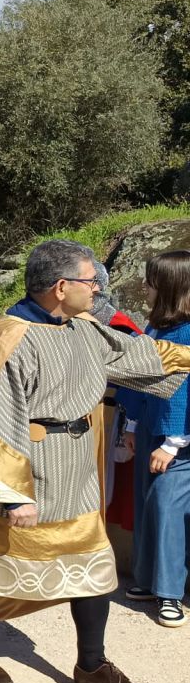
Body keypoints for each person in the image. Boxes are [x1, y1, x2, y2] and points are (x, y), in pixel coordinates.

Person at [0, 239, 190, 683]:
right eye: (89, 281)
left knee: (92, 564)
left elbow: (144, 356)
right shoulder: (8, 336)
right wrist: (13, 493)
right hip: (26, 467)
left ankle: (92, 666)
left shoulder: (84, 328)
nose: (97, 290)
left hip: (76, 467)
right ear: (61, 287)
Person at [123, 250, 190, 628]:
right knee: (147, 502)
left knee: (165, 506)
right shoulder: (157, 328)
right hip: (151, 428)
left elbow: (182, 391)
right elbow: (141, 380)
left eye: (151, 281)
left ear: (168, 286)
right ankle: (147, 580)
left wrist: (172, 442)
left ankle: (169, 593)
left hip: (176, 438)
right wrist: (133, 425)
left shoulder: (188, 332)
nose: (144, 287)